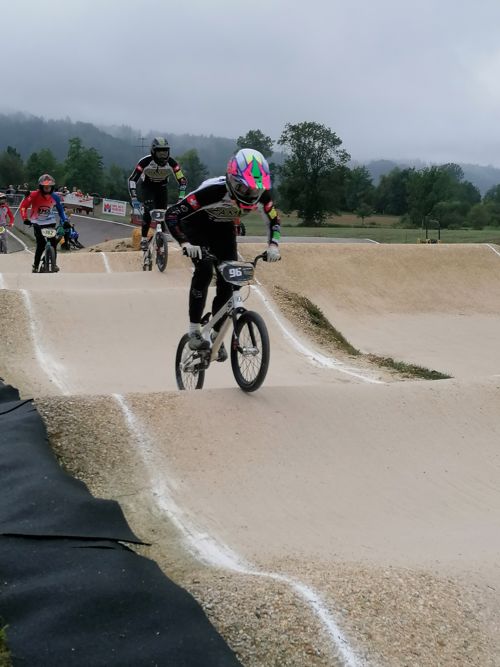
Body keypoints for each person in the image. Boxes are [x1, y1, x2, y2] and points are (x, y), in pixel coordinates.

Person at [166, 148, 281, 359]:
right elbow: (172, 215)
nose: (251, 194)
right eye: (244, 189)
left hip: (223, 229)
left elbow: (274, 220)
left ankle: (215, 335)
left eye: (255, 190)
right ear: (231, 179)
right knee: (204, 271)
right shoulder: (212, 191)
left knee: (230, 278)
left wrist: (273, 245)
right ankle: (193, 331)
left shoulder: (262, 194)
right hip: (196, 227)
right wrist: (184, 243)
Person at [128, 136, 187, 250]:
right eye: (160, 153)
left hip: (162, 187)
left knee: (162, 214)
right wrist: (134, 197)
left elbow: (182, 181)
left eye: (165, 153)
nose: (163, 156)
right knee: (148, 211)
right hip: (147, 187)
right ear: (153, 152)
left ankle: (161, 237)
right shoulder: (145, 162)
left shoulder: (173, 163)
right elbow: (132, 179)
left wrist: (181, 198)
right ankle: (144, 239)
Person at [20, 174, 69, 272]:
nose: (47, 189)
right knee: (41, 244)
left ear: (52, 187)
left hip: (50, 222)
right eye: (45, 187)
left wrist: (65, 220)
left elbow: (60, 211)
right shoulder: (33, 195)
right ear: (41, 186)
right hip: (36, 222)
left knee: (53, 243)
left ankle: (54, 264)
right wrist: (25, 218)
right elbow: (23, 207)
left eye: (49, 187)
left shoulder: (55, 197)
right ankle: (35, 265)